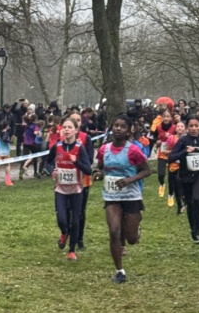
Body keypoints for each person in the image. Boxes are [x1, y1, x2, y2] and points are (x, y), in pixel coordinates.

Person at [95, 116, 150, 283]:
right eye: (116, 125)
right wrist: (98, 173)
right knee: (114, 231)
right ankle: (120, 271)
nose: (118, 129)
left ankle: (136, 229)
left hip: (131, 195)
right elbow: (100, 167)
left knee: (131, 239)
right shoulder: (104, 149)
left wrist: (129, 180)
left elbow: (147, 171)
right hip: (111, 195)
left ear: (128, 131)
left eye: (122, 126)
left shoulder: (133, 150)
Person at [46, 118, 92, 260]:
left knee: (75, 220)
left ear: (76, 130)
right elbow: (47, 162)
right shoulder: (57, 146)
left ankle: (72, 251)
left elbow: (88, 170)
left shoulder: (79, 148)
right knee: (61, 219)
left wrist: (76, 161)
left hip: (76, 190)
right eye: (64, 127)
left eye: (70, 127)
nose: (66, 130)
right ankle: (64, 232)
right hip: (60, 189)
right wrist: (52, 171)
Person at [168, 114, 199, 244]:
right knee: (190, 203)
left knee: (196, 199)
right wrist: (184, 152)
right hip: (185, 176)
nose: (194, 128)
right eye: (191, 126)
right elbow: (171, 158)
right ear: (187, 127)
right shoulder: (183, 141)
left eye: (196, 126)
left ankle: (198, 232)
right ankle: (193, 230)